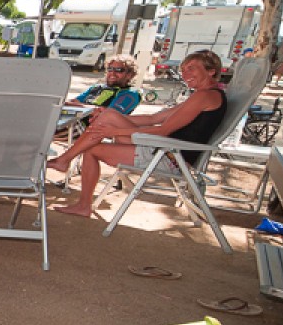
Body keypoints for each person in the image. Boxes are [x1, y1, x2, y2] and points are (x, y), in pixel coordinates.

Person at [46, 50, 228, 217]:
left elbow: (163, 130)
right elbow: (153, 118)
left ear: (211, 71)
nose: (185, 74)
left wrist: (114, 130)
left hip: (169, 156)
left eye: (191, 68)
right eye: (183, 70)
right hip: (165, 150)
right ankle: (65, 164)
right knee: (108, 115)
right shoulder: (204, 95)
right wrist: (112, 119)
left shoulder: (205, 96)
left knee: (92, 147)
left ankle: (69, 173)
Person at [67, 54, 142, 120]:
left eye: (119, 70)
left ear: (130, 75)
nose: (112, 73)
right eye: (110, 69)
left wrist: (80, 107)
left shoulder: (130, 93)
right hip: (75, 122)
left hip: (96, 128)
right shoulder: (96, 87)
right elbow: (72, 102)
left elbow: (109, 114)